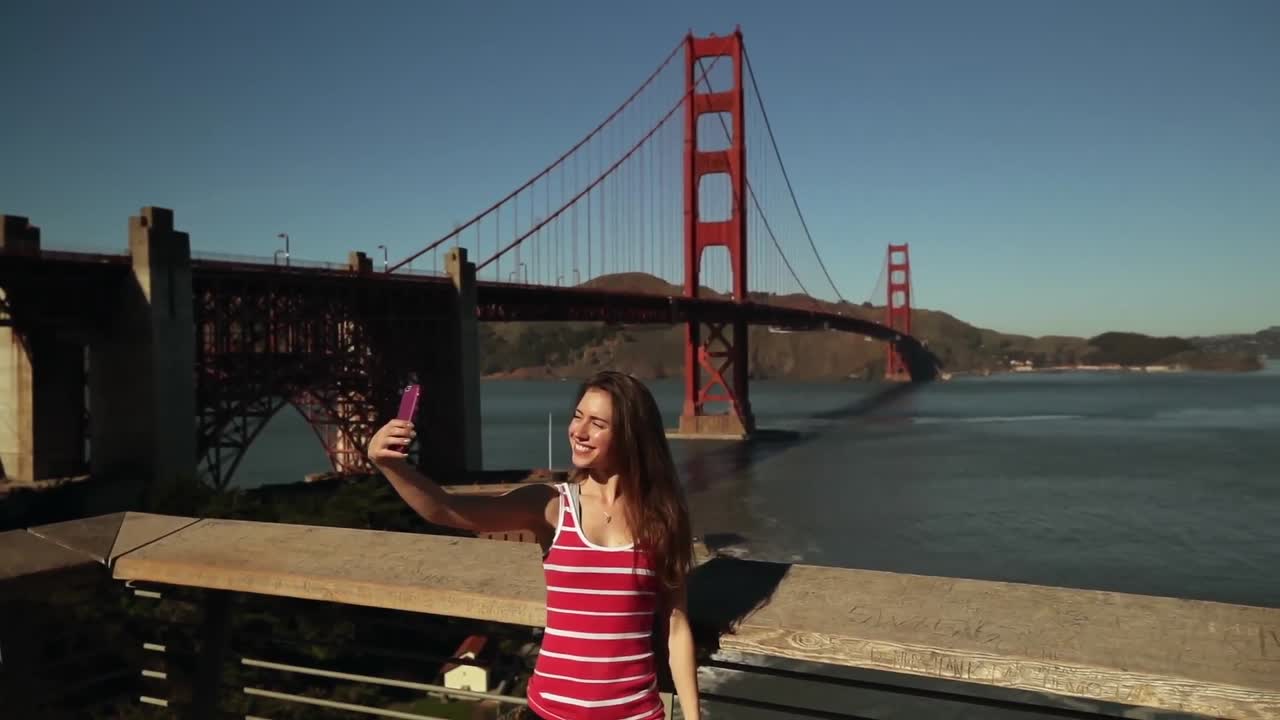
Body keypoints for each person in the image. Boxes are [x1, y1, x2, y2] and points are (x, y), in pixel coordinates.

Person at [367, 370, 700, 720]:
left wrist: (693, 718)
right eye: (577, 417)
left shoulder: (662, 518)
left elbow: (675, 627)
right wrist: (390, 466)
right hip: (549, 712)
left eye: (597, 423)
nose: (579, 432)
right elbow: (446, 509)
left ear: (631, 437)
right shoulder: (551, 505)